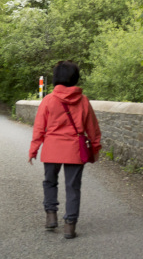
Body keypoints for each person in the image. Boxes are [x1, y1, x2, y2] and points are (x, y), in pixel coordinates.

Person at [28, 60, 101, 239]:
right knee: (73, 187)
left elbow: (39, 128)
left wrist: (33, 149)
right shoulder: (83, 101)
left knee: (50, 182)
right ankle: (70, 225)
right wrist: (96, 147)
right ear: (75, 78)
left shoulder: (48, 100)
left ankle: (51, 216)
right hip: (75, 149)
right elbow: (92, 128)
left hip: (52, 148)